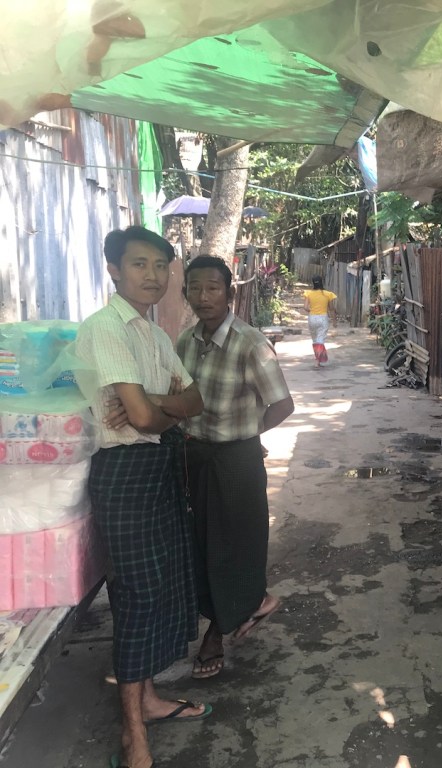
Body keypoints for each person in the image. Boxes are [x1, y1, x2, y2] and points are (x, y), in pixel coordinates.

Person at [74, 226, 209, 768]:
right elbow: (150, 418)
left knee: (164, 586)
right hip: (124, 472)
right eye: (138, 264)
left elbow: (193, 400)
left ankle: (149, 699)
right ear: (113, 269)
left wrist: (154, 404)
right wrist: (160, 409)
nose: (152, 276)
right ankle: (133, 734)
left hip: (159, 466)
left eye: (160, 265)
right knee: (135, 596)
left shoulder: (155, 336)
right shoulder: (105, 329)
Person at [177, 256, 294, 680]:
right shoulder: (185, 341)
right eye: (194, 287)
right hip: (195, 455)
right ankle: (251, 603)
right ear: (185, 293)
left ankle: (217, 631)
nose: (203, 296)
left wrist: (247, 433)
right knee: (201, 543)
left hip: (236, 459)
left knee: (235, 545)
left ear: (229, 293)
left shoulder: (250, 343)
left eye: (212, 287)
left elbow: (283, 404)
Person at [303, 275, 337, 369]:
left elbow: (305, 307)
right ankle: (318, 360)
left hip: (312, 318)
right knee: (320, 339)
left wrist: (311, 311)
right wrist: (334, 320)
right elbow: (331, 309)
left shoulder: (308, 293)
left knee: (315, 340)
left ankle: (317, 359)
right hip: (323, 318)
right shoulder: (328, 294)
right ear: (322, 282)